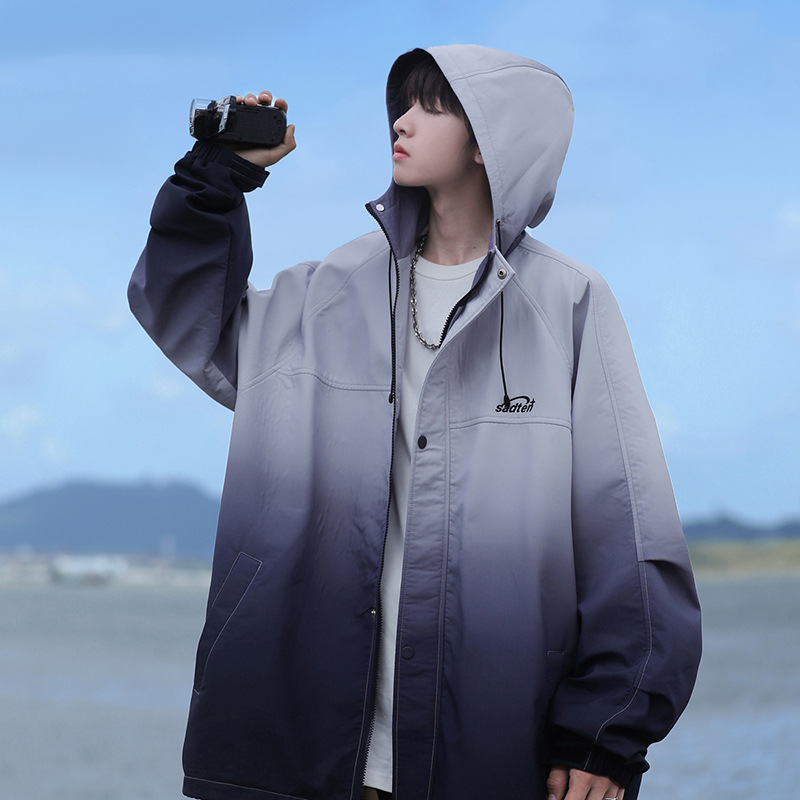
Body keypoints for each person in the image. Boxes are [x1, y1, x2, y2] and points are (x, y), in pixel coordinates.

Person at [129, 45, 702, 800]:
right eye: (401, 104)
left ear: (492, 137)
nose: (401, 121)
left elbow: (629, 533)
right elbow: (191, 319)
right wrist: (216, 179)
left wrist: (606, 732)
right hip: (297, 742)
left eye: (432, 106)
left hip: (496, 747)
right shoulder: (330, 290)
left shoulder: (569, 304)